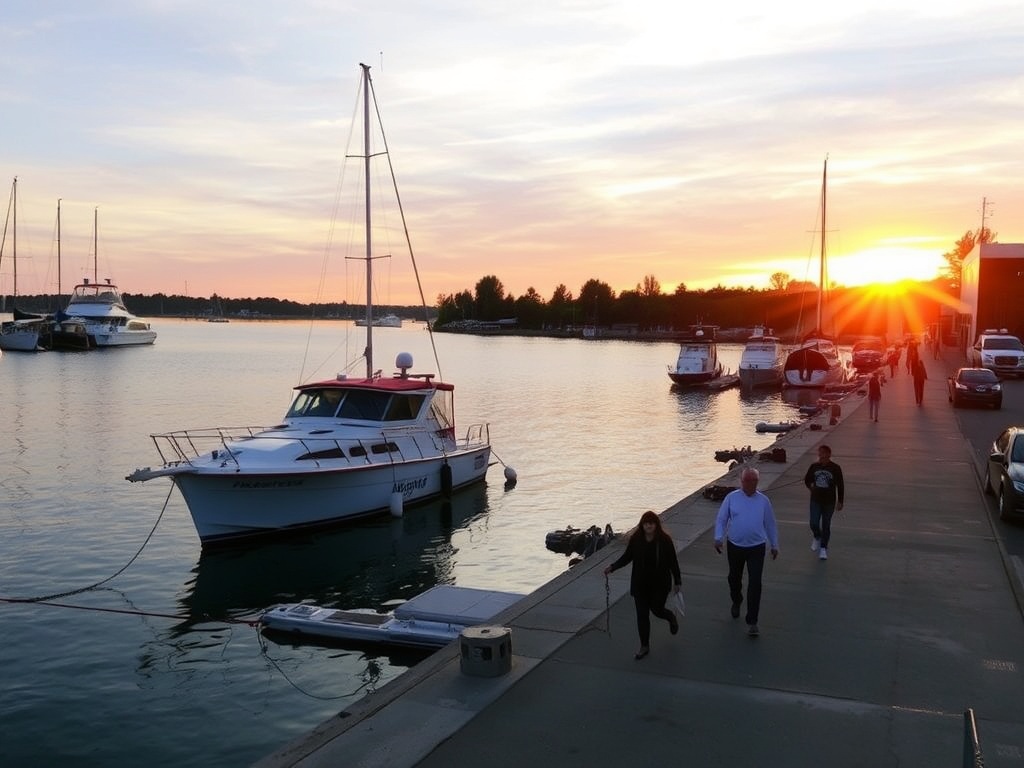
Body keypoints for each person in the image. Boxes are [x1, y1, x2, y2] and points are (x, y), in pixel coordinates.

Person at [604, 510, 681, 659]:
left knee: (657, 610)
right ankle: (644, 646)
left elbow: (673, 562)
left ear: (656, 525)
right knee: (642, 616)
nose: (648, 526)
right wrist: (612, 567)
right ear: (642, 525)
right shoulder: (636, 539)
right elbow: (627, 557)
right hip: (640, 585)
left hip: (660, 584)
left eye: (651, 524)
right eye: (646, 524)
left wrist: (677, 581)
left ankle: (670, 616)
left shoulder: (664, 540)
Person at [713, 467, 779, 637]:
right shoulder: (731, 498)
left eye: (753, 481)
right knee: (733, 578)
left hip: (757, 547)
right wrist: (718, 537)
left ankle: (753, 621)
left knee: (755, 583)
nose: (750, 484)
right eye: (747, 481)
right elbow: (721, 519)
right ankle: (737, 600)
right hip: (735, 546)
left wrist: (774, 544)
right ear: (741, 482)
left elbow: (770, 523)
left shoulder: (763, 501)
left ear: (757, 482)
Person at [804, 445, 845, 561]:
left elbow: (840, 485)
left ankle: (823, 548)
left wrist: (840, 501)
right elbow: (807, 480)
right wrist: (810, 486)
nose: (819, 455)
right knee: (813, 523)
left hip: (829, 501)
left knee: (826, 525)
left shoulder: (836, 468)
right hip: (815, 500)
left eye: (822, 453)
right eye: (819, 453)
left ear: (828, 454)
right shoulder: (814, 466)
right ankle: (817, 536)